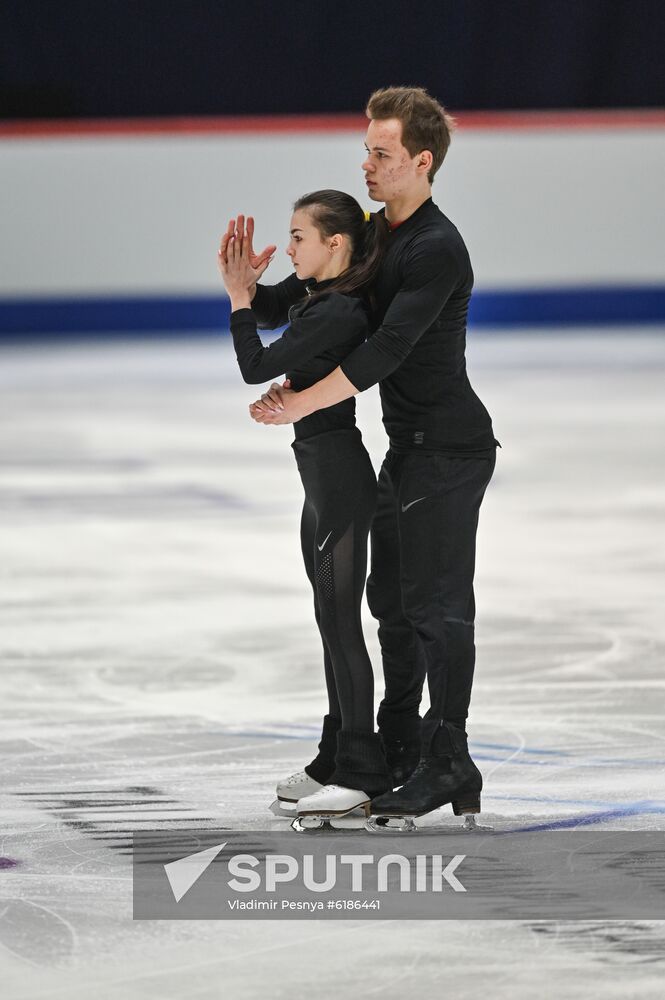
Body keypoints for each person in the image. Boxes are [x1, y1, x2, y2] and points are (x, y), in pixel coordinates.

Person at [239, 87, 499, 823]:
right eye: (366, 151)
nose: (367, 165)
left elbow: (387, 348)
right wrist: (242, 288)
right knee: (388, 604)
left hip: (450, 450)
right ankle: (397, 742)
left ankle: (449, 759)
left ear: (421, 161)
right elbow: (294, 301)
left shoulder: (437, 247)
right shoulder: (374, 231)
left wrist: (300, 401)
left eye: (381, 154)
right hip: (407, 450)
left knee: (436, 609)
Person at [217, 191, 393, 820]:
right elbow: (271, 306)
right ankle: (332, 756)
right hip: (321, 477)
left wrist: (239, 302)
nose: (288, 249)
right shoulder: (318, 294)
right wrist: (245, 284)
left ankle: (361, 770)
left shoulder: (338, 310)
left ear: (335, 245)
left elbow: (254, 361)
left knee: (343, 626)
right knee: (329, 620)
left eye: (298, 238)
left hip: (340, 480)